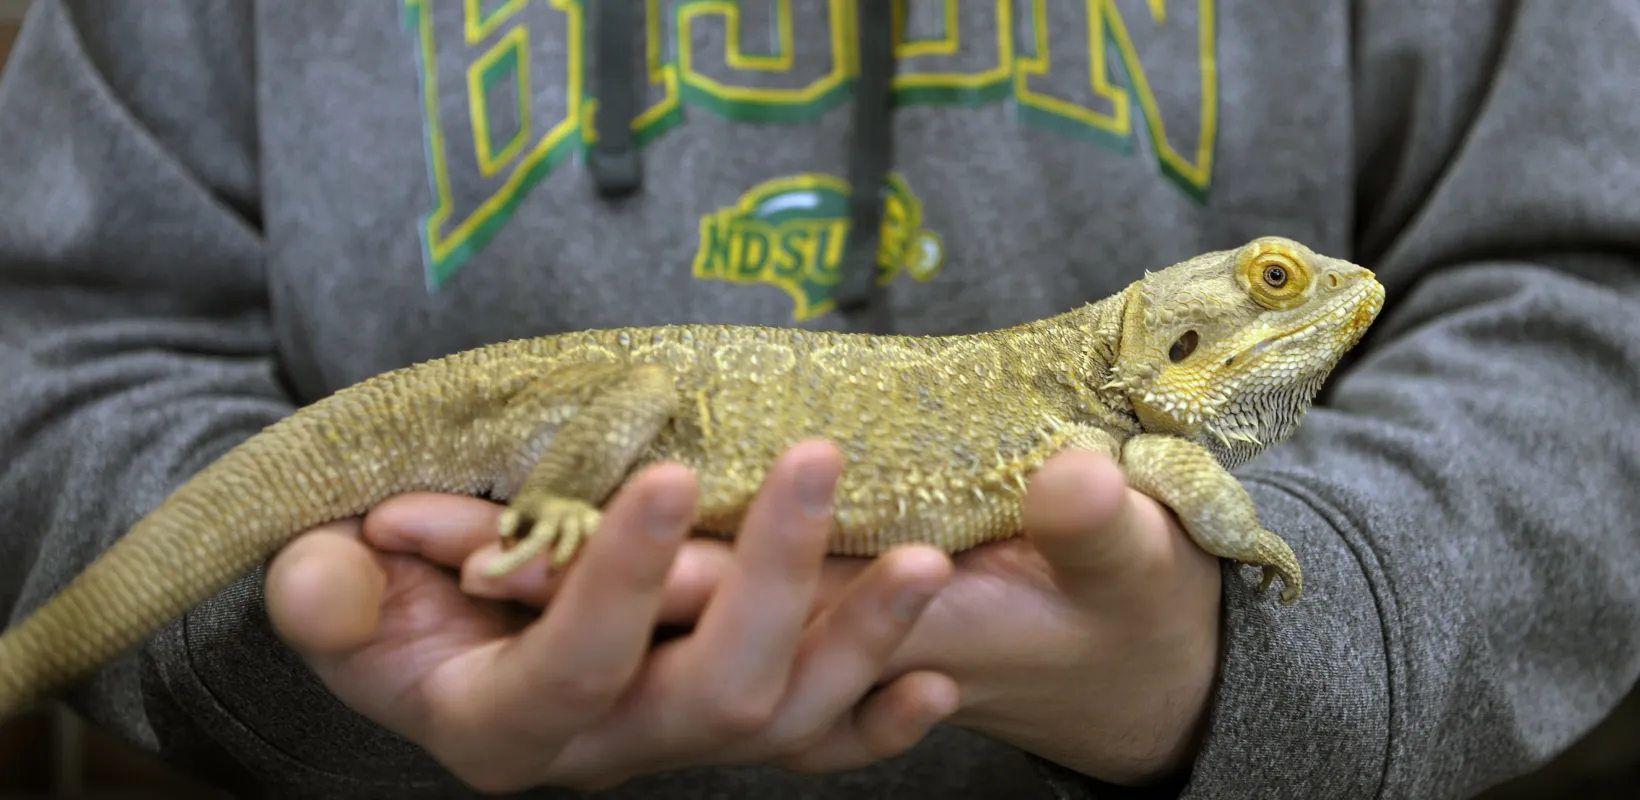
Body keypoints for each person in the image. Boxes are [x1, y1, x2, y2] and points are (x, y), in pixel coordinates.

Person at [1, 1, 1637, 797]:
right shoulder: (1130, 434)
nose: (1314, 298)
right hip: (519, 490)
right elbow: (60, 337)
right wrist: (295, 670)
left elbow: (1587, 290)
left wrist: (1256, 656)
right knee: (618, 418)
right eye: (1270, 283)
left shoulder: (1100, 419)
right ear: (1176, 336)